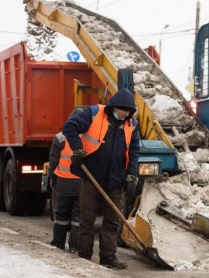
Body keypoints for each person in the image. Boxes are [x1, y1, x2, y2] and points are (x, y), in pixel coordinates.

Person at [62, 88, 140, 269]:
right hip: (92, 177)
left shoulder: (131, 124)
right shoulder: (94, 114)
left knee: (112, 221)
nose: (126, 114)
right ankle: (84, 255)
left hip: (115, 180)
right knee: (87, 218)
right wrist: (77, 149)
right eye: (124, 110)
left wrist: (131, 175)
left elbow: (134, 152)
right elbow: (69, 127)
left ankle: (108, 257)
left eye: (129, 111)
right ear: (115, 106)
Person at [49, 108, 84, 253]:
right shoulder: (87, 138)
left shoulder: (60, 137)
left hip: (63, 182)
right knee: (78, 215)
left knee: (62, 213)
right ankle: (74, 245)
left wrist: (52, 178)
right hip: (81, 183)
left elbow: (53, 161)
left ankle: (58, 243)